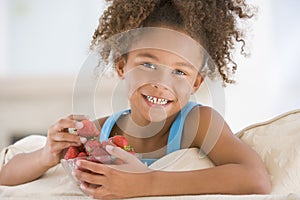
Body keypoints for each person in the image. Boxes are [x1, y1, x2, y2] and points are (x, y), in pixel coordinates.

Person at [0, 0, 271, 199]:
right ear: (121, 67)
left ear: (196, 83)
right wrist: (48, 153)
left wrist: (147, 183)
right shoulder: (102, 131)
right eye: (148, 65)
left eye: (179, 71)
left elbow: (256, 178)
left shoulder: (197, 122)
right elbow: (5, 177)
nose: (162, 84)